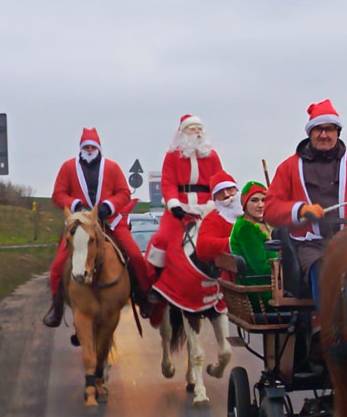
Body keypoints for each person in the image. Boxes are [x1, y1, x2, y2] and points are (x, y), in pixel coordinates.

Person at [263, 99, 347, 305]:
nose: (324, 134)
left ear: (337, 132)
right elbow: (270, 209)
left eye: (329, 129)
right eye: (318, 129)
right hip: (313, 245)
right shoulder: (289, 167)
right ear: (310, 133)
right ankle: (327, 324)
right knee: (324, 267)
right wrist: (301, 210)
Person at [43, 127, 152, 327]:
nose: (90, 149)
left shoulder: (112, 167)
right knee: (58, 264)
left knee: (135, 255)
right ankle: (56, 308)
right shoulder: (68, 168)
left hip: (108, 221)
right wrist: (76, 205)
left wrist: (108, 206)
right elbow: (58, 194)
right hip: (80, 223)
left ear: (99, 148)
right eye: (87, 146)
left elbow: (123, 193)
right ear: (81, 149)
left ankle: (143, 296)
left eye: (93, 146)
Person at [145, 114, 223, 287]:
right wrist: (173, 204)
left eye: (199, 129)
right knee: (162, 239)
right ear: (183, 133)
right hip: (181, 207)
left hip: (206, 208)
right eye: (192, 129)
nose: (197, 132)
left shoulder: (212, 156)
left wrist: (213, 203)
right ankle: (155, 281)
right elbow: (168, 182)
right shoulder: (172, 156)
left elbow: (218, 182)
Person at [228, 181, 279, 308]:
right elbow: (260, 267)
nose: (260, 205)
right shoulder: (246, 228)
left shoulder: (264, 224)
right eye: (254, 200)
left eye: (264, 200)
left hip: (272, 284)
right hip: (261, 291)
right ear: (244, 204)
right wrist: (288, 271)